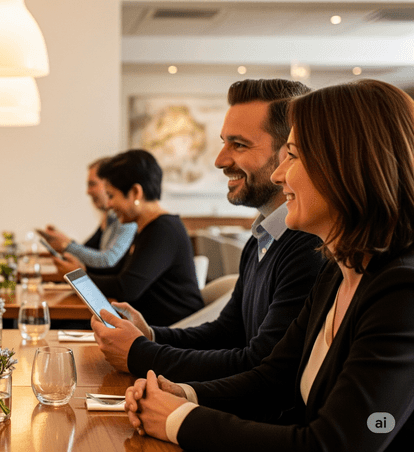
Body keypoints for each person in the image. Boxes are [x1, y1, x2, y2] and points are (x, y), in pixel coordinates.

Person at [127, 79, 414, 451]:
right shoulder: (336, 270)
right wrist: (182, 393)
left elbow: (336, 443)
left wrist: (177, 418)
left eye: (292, 156)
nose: (280, 175)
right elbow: (273, 378)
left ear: (344, 167)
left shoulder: (401, 292)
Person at [91, 79, 325, 380]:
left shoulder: (308, 247)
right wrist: (148, 335)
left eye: (238, 145)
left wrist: (141, 354)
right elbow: (227, 332)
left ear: (288, 153)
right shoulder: (262, 238)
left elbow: (263, 368)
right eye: (224, 142)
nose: (220, 160)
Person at [54, 150, 203, 326]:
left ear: (135, 192)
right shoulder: (147, 228)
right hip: (151, 329)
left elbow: (126, 288)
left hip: (173, 336)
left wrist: (79, 276)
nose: (108, 204)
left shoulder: (163, 230)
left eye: (111, 196)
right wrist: (80, 270)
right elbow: (119, 271)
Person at [38, 157, 137, 268]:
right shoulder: (110, 217)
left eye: (92, 184)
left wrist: (66, 245)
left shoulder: (127, 219)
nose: (88, 192)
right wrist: (62, 241)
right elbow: (89, 249)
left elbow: (108, 260)